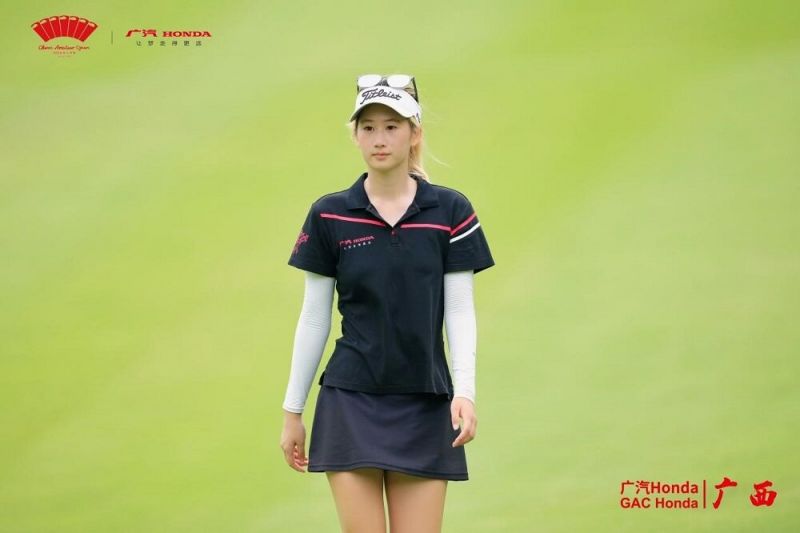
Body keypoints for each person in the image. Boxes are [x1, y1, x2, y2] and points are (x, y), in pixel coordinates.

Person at [279, 73, 495, 533]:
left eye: (392, 126)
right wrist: (293, 412)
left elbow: (459, 311)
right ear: (356, 135)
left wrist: (466, 392)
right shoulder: (329, 214)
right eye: (369, 127)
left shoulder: (451, 211)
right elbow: (314, 317)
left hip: (425, 401)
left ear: (414, 133)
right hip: (350, 400)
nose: (379, 138)